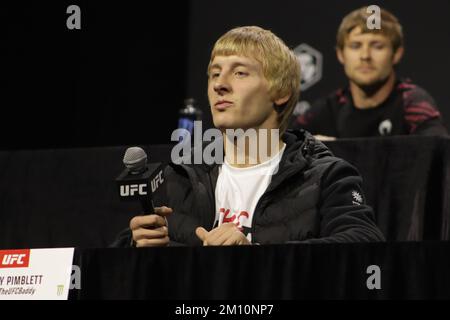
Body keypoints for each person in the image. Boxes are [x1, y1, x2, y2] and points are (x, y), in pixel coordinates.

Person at [112, 26, 384, 247]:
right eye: (215, 74)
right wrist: (137, 247)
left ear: (281, 92)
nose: (220, 84)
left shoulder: (326, 176)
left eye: (239, 73)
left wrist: (253, 254)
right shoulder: (178, 178)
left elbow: (364, 243)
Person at [293, 7, 448, 139]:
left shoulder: (412, 103)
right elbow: (278, 152)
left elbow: (440, 153)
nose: (365, 55)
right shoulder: (328, 110)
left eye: (377, 46)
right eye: (355, 46)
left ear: (396, 54)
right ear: (340, 54)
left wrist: (338, 151)